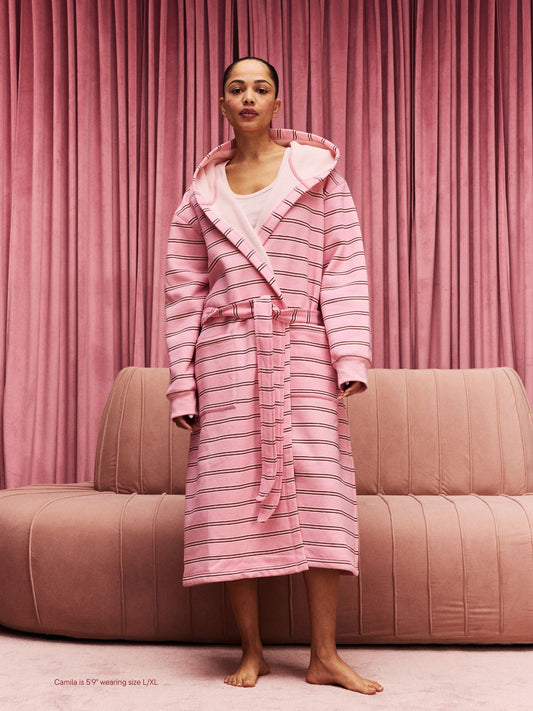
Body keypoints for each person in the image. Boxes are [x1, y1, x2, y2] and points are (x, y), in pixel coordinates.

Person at [165, 56, 383, 695]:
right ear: (222, 104)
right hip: (227, 355)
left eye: (261, 88)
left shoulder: (318, 178)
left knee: (320, 493)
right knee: (232, 498)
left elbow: (344, 266)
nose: (249, 97)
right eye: (236, 88)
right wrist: (184, 381)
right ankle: (252, 651)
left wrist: (348, 356)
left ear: (277, 104)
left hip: (303, 348)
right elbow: (184, 293)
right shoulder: (202, 194)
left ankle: (324, 655)